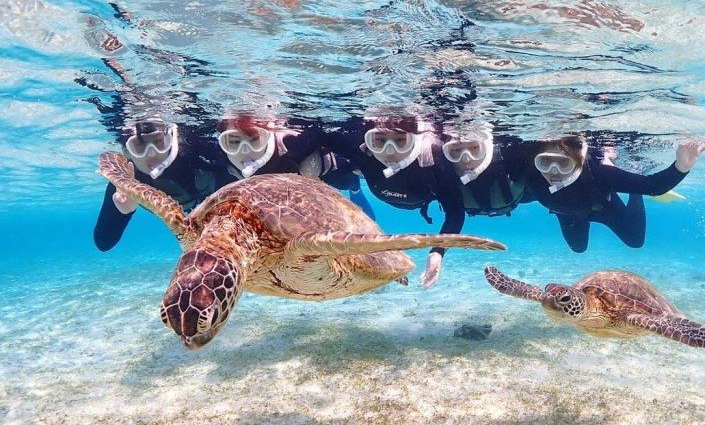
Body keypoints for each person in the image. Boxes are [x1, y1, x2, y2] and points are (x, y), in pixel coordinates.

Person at [323, 114, 465, 288]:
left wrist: (437, 252)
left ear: (414, 139)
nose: (389, 151)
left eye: (400, 140)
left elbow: (455, 213)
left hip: (420, 199)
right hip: (364, 177)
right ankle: (354, 184)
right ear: (369, 140)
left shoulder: (435, 161)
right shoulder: (362, 152)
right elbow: (319, 135)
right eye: (380, 140)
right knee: (336, 175)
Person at [510, 136, 705, 252]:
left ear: (578, 161)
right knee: (578, 248)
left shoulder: (599, 174)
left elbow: (653, 186)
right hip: (567, 213)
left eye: (564, 163)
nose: (553, 172)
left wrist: (681, 167)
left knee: (635, 241)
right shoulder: (533, 178)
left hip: (602, 206)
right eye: (545, 163)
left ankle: (633, 194)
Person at [93, 119, 231, 251]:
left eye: (158, 142)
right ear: (127, 151)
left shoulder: (198, 153)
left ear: (170, 140)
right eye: (139, 146)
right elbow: (103, 242)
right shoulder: (128, 181)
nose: (152, 153)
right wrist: (124, 212)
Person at [218, 113, 375, 219]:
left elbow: (326, 134)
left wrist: (358, 160)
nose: (245, 151)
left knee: (345, 182)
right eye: (233, 142)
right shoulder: (220, 161)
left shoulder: (293, 143)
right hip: (282, 191)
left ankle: (355, 189)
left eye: (254, 139)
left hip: (325, 174)